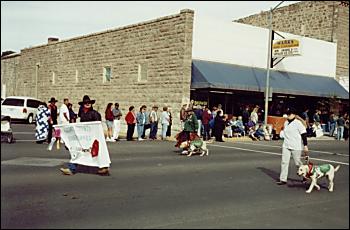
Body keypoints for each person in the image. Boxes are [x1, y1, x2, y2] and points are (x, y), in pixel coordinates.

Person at [60, 95, 109, 176]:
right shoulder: (82, 114)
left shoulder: (95, 114)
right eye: (85, 103)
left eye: (89, 102)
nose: (87, 104)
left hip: (93, 137)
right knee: (78, 151)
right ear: (83, 105)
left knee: (98, 151)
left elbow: (98, 127)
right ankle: (72, 169)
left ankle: (104, 167)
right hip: (85, 137)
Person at [276, 107, 308, 185]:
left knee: (298, 163)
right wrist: (279, 134)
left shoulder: (298, 123)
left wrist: (305, 145)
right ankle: (283, 179)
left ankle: (305, 175)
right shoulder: (286, 122)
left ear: (294, 115)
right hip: (286, 145)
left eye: (289, 114)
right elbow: (284, 132)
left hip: (296, 146)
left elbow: (304, 134)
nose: (288, 116)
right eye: (287, 114)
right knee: (284, 162)